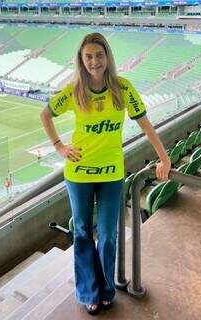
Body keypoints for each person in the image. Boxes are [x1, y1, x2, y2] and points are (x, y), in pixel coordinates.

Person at [40, 32, 171, 315]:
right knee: (84, 232)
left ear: (107, 58)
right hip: (79, 174)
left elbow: (145, 124)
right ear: (81, 59)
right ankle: (88, 291)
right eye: (88, 56)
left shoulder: (123, 88)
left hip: (112, 173)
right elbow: (45, 115)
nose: (94, 61)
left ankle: (107, 289)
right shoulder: (74, 90)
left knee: (109, 234)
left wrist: (164, 158)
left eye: (99, 55)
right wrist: (59, 146)